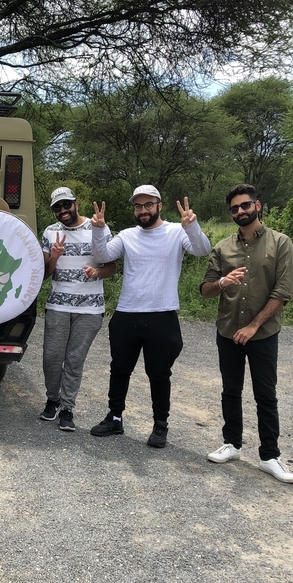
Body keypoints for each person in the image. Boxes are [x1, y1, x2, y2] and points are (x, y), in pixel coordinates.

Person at [89, 184, 211, 448]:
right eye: (138, 206)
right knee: (119, 369)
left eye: (148, 205)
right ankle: (115, 418)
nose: (142, 210)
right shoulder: (127, 235)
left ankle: (160, 425)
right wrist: (98, 230)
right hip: (127, 313)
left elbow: (202, 249)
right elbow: (101, 255)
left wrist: (191, 225)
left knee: (159, 374)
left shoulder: (176, 232)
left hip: (162, 314)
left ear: (159, 206)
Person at [200, 183, 293, 483]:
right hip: (228, 330)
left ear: (257, 205)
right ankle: (232, 444)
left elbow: (283, 291)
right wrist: (222, 283)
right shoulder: (223, 247)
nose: (240, 211)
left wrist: (253, 326)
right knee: (230, 390)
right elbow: (205, 289)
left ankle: (270, 456)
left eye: (245, 205)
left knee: (265, 395)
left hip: (263, 333)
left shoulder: (280, 243)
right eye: (234, 208)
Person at [39, 187, 116, 431]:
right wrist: (54, 257)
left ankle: (67, 408)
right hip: (58, 305)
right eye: (57, 207)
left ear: (76, 204)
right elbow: (44, 275)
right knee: (51, 357)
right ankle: (53, 399)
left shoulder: (98, 228)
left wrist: (96, 272)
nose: (63, 210)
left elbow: (111, 268)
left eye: (66, 204)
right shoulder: (50, 232)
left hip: (90, 309)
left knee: (74, 359)